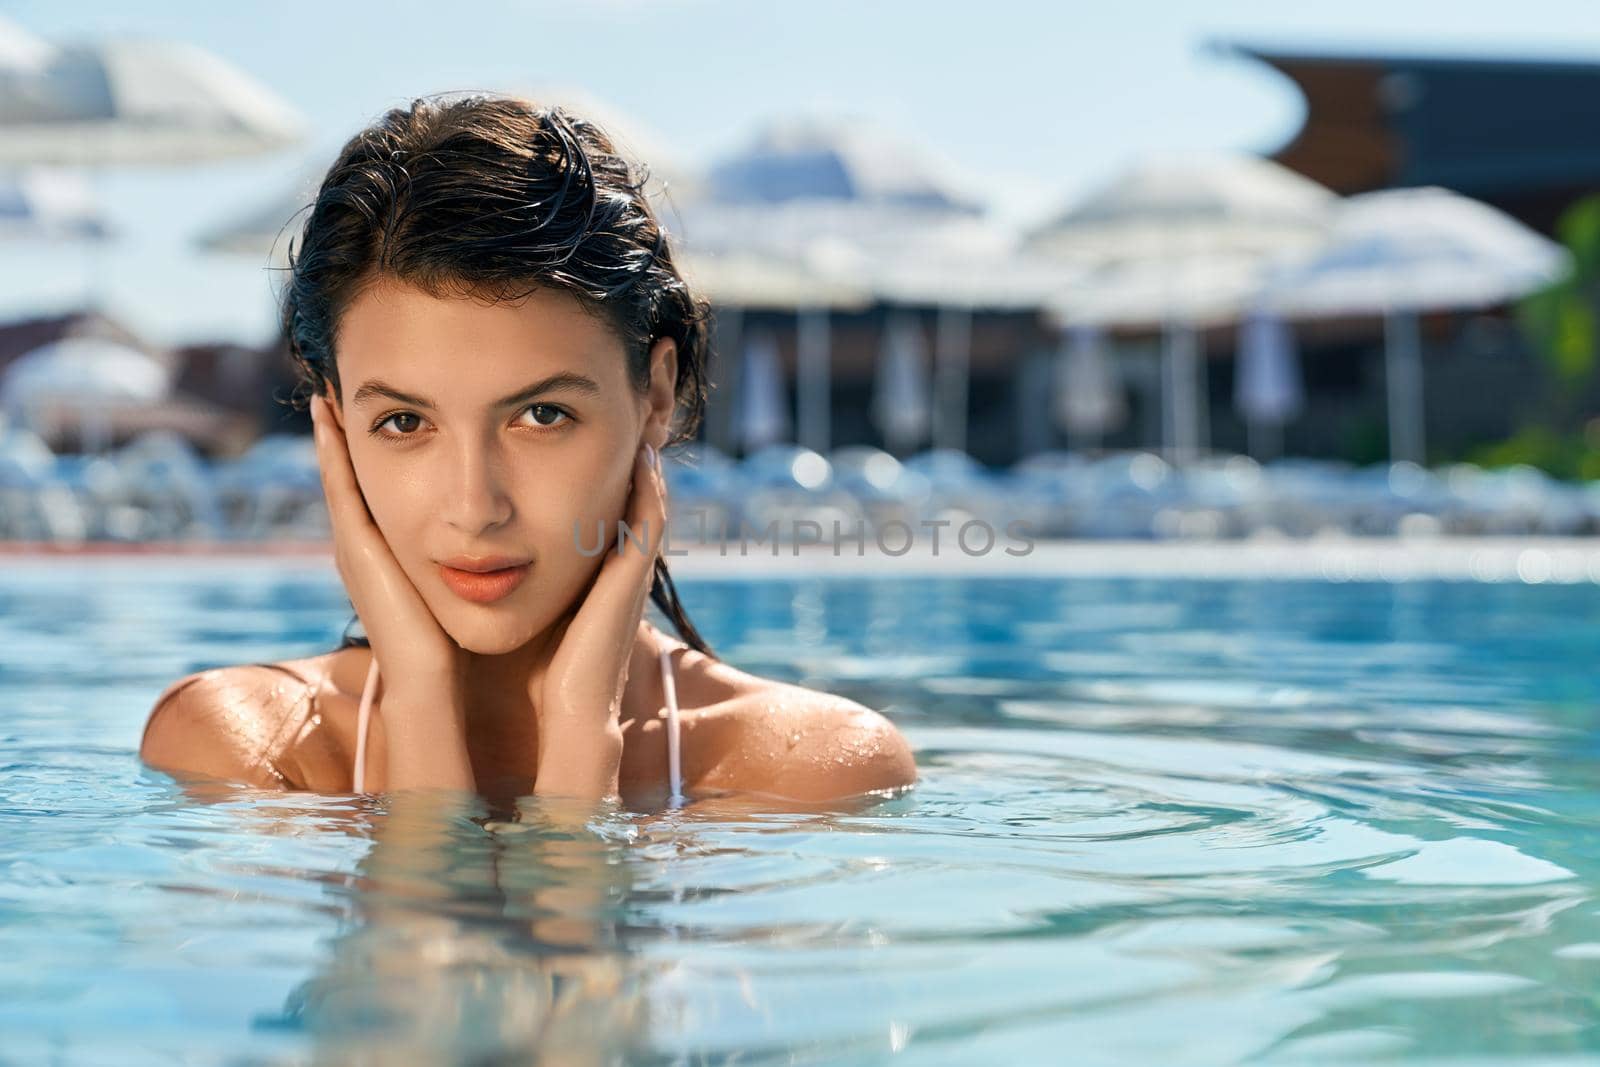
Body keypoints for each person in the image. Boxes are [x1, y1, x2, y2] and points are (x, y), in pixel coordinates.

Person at [139, 92, 917, 810]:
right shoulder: (245, 744)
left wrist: (585, 739)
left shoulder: (812, 766)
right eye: (405, 423)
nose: (475, 507)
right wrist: (417, 702)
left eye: (541, 414)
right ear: (336, 423)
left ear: (654, 394)